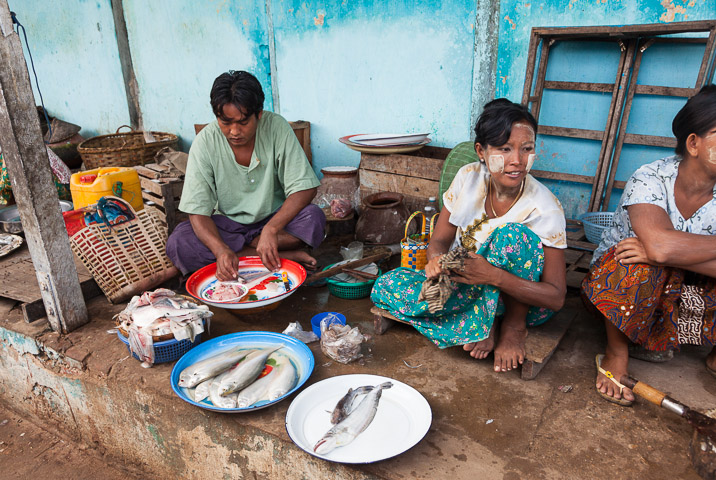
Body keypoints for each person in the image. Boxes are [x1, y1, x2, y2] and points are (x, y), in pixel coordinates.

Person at [371, 99, 567, 373]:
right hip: (466, 287)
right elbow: (439, 241)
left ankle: (509, 327)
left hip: (521, 302)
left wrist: (493, 276)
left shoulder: (545, 207)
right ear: (482, 151)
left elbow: (556, 297)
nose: (517, 161)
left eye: (527, 149)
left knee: (512, 236)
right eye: (505, 149)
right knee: (385, 285)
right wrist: (437, 260)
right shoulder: (468, 178)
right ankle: (481, 321)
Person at [582, 84, 716, 406]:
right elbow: (657, 246)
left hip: (681, 292)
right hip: (616, 291)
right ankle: (616, 351)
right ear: (694, 144)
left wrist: (668, 255)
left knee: (657, 260)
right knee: (640, 263)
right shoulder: (650, 177)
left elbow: (663, 251)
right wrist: (662, 254)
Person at [166, 70, 326, 281]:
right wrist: (220, 249)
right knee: (179, 241)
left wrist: (271, 229)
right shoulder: (205, 142)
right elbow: (197, 211)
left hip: (274, 220)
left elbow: (304, 188)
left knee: (313, 218)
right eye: (225, 122)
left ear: (258, 113)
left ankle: (250, 251)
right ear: (216, 116)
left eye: (242, 122)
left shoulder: (277, 127)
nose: (234, 131)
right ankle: (282, 256)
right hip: (228, 227)